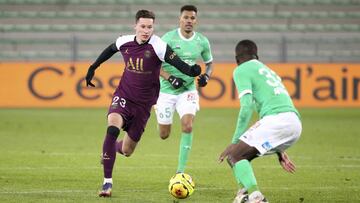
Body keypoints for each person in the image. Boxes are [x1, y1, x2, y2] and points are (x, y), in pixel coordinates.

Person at [85, 9, 202, 197]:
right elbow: (110, 49)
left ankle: (110, 150)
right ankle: (107, 183)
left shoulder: (159, 46)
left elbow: (178, 63)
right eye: (143, 26)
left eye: (150, 27)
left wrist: (191, 71)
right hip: (124, 96)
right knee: (112, 128)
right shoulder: (125, 41)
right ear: (136, 26)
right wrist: (93, 67)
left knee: (127, 150)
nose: (146, 30)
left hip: (144, 105)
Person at [218, 40, 302, 203]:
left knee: (235, 153)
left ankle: (256, 197)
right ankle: (243, 194)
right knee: (238, 156)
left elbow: (247, 106)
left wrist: (234, 141)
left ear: (237, 59)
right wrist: (280, 149)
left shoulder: (242, 70)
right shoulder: (268, 70)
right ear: (257, 55)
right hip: (294, 123)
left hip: (277, 120)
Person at [155, 5, 213, 174]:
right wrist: (169, 77)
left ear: (196, 21)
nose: (189, 21)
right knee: (164, 134)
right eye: (186, 17)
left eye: (192, 18)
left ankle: (180, 172)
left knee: (187, 126)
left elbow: (209, 64)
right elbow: (154, 65)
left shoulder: (202, 41)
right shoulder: (168, 39)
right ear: (180, 19)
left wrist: (206, 77)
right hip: (166, 90)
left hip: (187, 90)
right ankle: (158, 108)